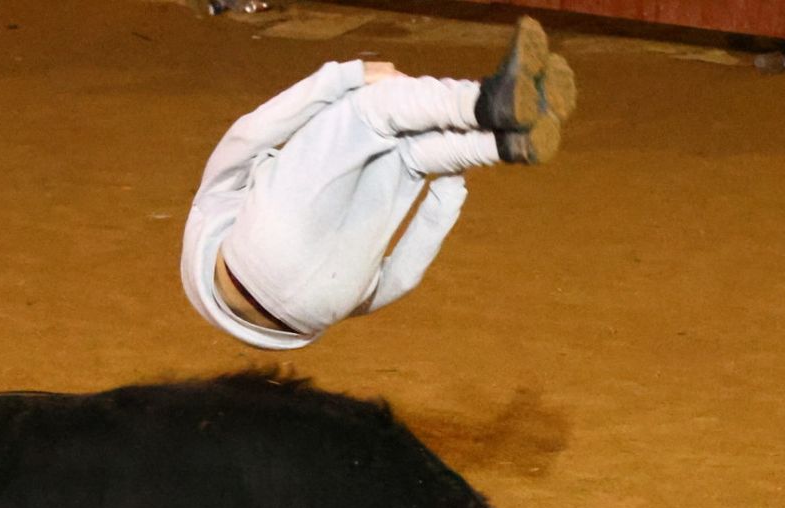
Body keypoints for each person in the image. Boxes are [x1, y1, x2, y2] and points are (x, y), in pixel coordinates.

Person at [181, 17, 575, 350]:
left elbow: (399, 279)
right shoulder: (214, 204)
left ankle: (504, 143)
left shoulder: (300, 199)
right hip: (255, 258)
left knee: (406, 157)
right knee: (365, 108)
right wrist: (346, 76)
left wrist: (448, 190)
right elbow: (248, 134)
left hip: (320, 309)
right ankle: (488, 100)